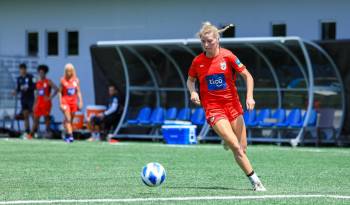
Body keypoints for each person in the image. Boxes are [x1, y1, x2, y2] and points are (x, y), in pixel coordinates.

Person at [186, 22, 266, 191]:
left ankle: (227, 140)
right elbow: (190, 80)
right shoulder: (197, 61)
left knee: (242, 148)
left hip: (233, 107)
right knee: (235, 147)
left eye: (209, 41)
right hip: (214, 109)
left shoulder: (228, 56)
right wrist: (193, 92)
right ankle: (256, 182)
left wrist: (250, 97)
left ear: (218, 39)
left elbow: (248, 76)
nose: (206, 45)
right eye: (203, 42)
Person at [29, 65, 58, 139]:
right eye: (40, 73)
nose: (41, 74)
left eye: (42, 73)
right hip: (39, 103)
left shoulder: (48, 81)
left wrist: (50, 97)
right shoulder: (38, 83)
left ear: (45, 73)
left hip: (46, 103)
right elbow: (37, 94)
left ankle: (48, 133)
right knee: (35, 119)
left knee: (46, 119)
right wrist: (34, 104)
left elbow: (57, 89)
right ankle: (31, 134)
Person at [58, 63, 83, 143]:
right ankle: (70, 136)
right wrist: (60, 103)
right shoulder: (62, 80)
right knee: (68, 119)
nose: (68, 73)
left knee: (70, 120)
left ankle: (65, 133)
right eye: (67, 71)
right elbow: (59, 92)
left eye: (70, 71)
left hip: (73, 102)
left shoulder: (76, 80)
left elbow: (78, 92)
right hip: (65, 102)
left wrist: (80, 101)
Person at [13, 63, 36, 139]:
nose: (22, 71)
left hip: (31, 99)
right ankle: (27, 131)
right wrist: (15, 91)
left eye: (23, 69)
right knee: (25, 115)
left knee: (33, 115)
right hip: (23, 99)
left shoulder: (30, 77)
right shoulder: (19, 78)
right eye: (21, 69)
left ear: (26, 69)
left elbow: (34, 86)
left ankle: (34, 132)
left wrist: (28, 88)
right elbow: (18, 88)